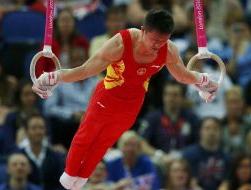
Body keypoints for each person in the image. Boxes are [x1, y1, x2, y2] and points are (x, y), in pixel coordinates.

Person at [32, 9, 219, 190]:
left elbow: (183, 76)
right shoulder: (121, 43)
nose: (157, 46)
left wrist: (204, 80)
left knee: (104, 143)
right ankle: (70, 177)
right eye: (154, 40)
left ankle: (79, 180)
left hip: (132, 105)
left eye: (163, 41)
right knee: (86, 137)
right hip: (106, 97)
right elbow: (85, 71)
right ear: (143, 30)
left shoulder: (168, 50)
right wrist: (54, 77)